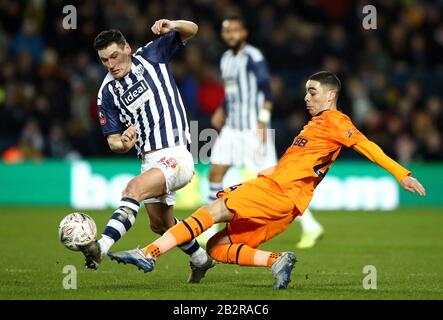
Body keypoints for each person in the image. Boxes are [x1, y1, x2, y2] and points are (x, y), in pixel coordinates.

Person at [106, 71, 426, 289]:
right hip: (287, 202)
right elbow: (294, 165)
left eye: (312, 92)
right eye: (305, 92)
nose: (306, 98)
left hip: (277, 193)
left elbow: (366, 145)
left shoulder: (335, 120)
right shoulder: (315, 126)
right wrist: (252, 182)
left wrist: (402, 173)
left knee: (212, 212)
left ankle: (149, 254)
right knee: (219, 247)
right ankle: (277, 261)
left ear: (331, 96)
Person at [79, 19, 215, 283]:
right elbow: (113, 141)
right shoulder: (107, 92)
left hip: (176, 154)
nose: (111, 65)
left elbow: (194, 30)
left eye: (115, 56)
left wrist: (173, 24)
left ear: (127, 48)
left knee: (133, 190)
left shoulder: (152, 55)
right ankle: (200, 259)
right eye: (105, 61)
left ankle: (101, 247)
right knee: (160, 224)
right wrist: (124, 143)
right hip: (149, 159)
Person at [201, 16, 324, 248]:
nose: (231, 35)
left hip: (252, 130)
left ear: (244, 33)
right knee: (215, 173)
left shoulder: (253, 57)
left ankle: (311, 226)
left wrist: (262, 120)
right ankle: (209, 231)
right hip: (231, 129)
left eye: (235, 30)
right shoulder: (226, 59)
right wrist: (222, 108)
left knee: (278, 184)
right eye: (227, 31)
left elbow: (267, 89)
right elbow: (232, 92)